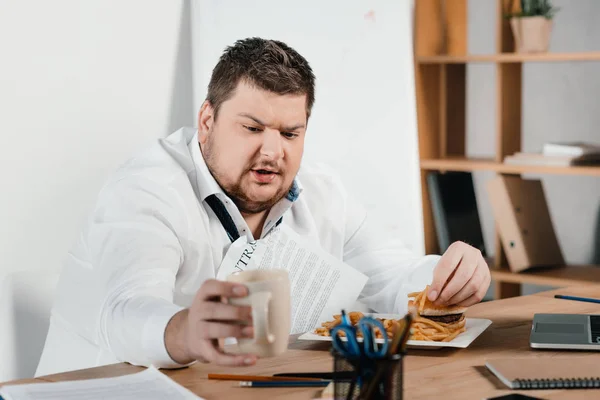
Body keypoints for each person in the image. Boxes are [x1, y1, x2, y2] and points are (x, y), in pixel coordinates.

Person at [35, 37, 490, 376]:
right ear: (207, 120)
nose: (273, 152)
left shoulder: (323, 191)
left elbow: (391, 276)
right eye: (253, 128)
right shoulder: (146, 189)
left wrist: (446, 278)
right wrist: (185, 330)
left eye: (290, 134)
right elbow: (125, 310)